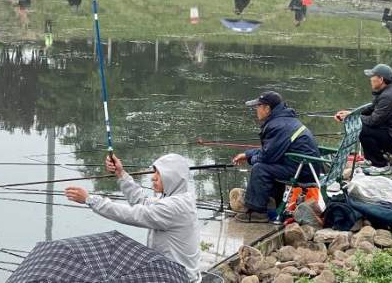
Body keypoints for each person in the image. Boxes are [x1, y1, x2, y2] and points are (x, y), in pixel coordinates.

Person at [64, 153, 201, 281]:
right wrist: (120, 174)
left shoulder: (174, 207)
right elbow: (142, 203)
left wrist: (91, 200)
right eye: (155, 172)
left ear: (172, 177)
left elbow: (132, 215)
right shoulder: (178, 197)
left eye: (159, 174)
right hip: (168, 270)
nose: (153, 177)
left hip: (177, 277)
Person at [231, 92, 320, 222]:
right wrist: (247, 154)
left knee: (260, 169)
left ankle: (257, 213)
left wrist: (251, 159)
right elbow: (272, 150)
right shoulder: (284, 120)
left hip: (303, 171)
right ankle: (273, 205)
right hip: (303, 165)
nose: (256, 109)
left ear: (267, 108)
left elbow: (266, 157)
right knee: (269, 165)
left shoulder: (277, 125)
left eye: (258, 106)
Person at [336, 64, 392, 176]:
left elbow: (373, 121)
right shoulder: (386, 91)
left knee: (362, 129)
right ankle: (373, 160)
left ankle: (380, 165)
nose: (370, 79)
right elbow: (370, 109)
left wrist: (352, 118)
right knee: (365, 126)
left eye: (372, 76)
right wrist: (350, 114)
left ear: (381, 79)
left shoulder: (388, 96)